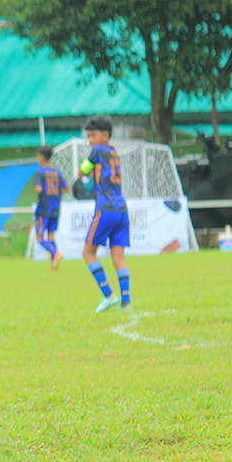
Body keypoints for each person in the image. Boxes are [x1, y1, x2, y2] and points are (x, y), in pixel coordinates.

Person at [77, 114, 132, 313]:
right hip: (121, 208)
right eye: (89, 137)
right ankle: (126, 303)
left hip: (106, 208)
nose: (90, 140)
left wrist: (85, 176)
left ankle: (108, 295)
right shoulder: (115, 152)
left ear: (105, 135)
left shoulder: (97, 150)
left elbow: (82, 171)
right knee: (118, 257)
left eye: (93, 136)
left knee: (88, 253)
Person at [32, 145, 69, 270]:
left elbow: (38, 189)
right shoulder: (56, 172)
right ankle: (54, 263)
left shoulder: (40, 173)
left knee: (39, 237)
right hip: (56, 207)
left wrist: (41, 193)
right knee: (51, 235)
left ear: (42, 157)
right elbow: (66, 188)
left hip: (44, 208)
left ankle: (55, 253)